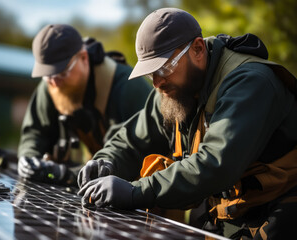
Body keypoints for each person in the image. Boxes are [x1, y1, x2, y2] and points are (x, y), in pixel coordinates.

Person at [77, 8, 297, 239]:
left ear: (198, 49)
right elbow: (131, 141)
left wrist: (136, 192)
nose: (157, 83)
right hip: (226, 208)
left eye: (164, 68)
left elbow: (215, 164)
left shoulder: (250, 82)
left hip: (278, 207)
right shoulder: (170, 90)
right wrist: (106, 160)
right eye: (151, 74)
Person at [17, 24, 152, 186]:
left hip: (142, 191)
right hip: (95, 183)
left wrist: (67, 174)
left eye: (62, 72)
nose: (54, 82)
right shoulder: (52, 84)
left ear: (83, 58)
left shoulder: (128, 87)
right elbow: (35, 132)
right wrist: (29, 158)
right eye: (47, 75)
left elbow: (130, 155)